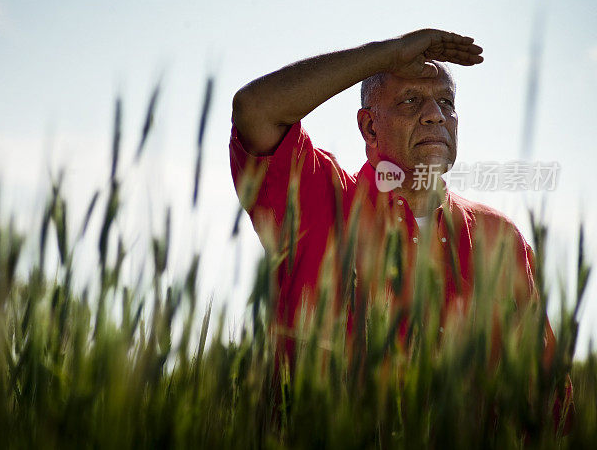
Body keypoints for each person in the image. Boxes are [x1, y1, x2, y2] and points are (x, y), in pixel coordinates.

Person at [229, 28, 572, 429]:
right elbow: (255, 109)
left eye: (446, 102)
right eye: (411, 101)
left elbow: (550, 404)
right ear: (370, 128)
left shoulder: (501, 239)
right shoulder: (321, 200)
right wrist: (384, 55)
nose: (435, 114)